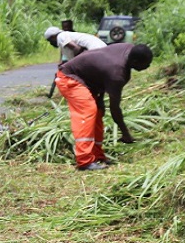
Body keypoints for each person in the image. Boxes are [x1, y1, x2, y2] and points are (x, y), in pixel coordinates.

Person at [55, 43, 153, 171]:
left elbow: (100, 72)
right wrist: (125, 133)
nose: (148, 66)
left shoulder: (129, 49)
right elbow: (115, 109)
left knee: (98, 112)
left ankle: (97, 155)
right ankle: (84, 161)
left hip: (88, 80)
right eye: (146, 64)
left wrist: (100, 98)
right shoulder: (117, 73)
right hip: (70, 77)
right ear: (134, 61)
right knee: (88, 110)